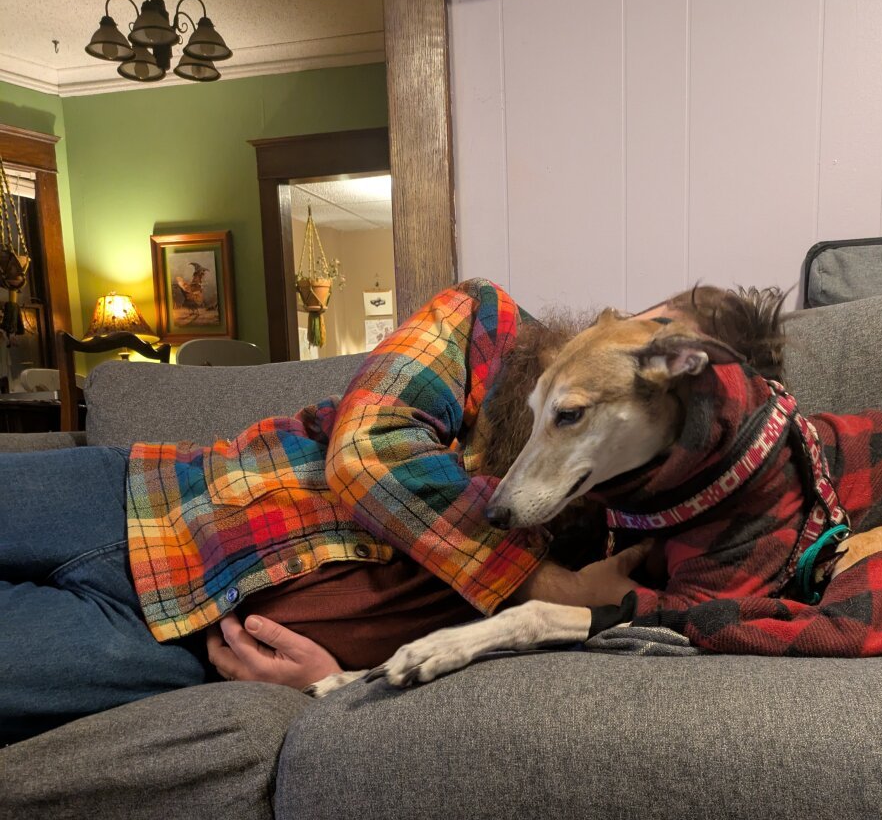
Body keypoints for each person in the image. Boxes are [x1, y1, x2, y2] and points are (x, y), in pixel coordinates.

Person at [0, 280, 677, 746]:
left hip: (183, 644)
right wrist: (541, 579)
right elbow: (366, 451)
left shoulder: (616, 539)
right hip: (145, 497)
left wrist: (326, 684)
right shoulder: (483, 323)